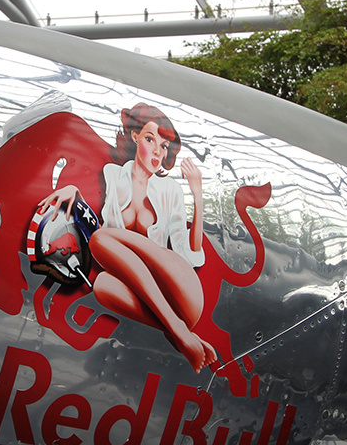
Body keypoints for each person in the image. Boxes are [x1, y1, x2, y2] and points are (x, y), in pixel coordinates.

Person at [39, 103, 218, 373]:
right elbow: (98, 226)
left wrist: (197, 194)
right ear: (135, 137)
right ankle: (179, 332)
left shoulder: (170, 189)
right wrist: (73, 190)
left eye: (164, 145)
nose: (158, 150)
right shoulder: (113, 175)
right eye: (150, 139)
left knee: (100, 240)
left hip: (182, 291)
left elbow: (190, 253)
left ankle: (179, 331)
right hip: (152, 302)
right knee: (102, 284)